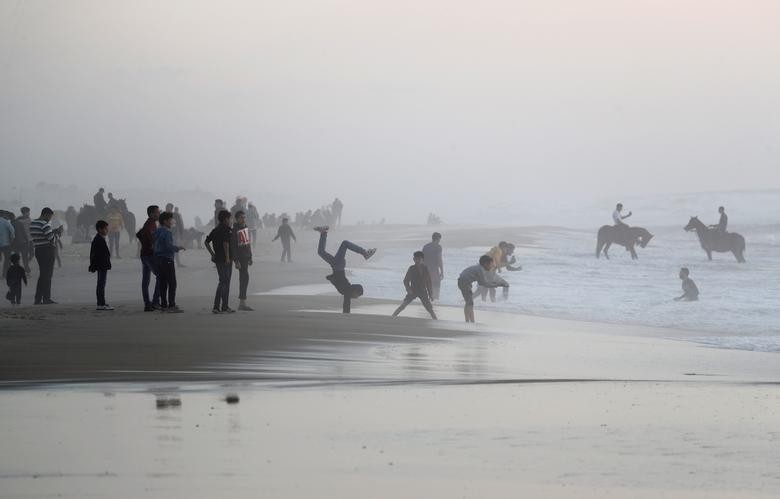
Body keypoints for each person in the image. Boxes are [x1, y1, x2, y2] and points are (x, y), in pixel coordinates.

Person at [315, 226, 376, 313]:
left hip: (336, 266)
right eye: (358, 295)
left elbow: (337, 281)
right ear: (355, 291)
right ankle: (365, 253)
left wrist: (330, 278)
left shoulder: (347, 290)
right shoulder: (347, 291)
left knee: (321, 252)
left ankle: (323, 233)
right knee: (345, 243)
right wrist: (346, 314)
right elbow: (346, 303)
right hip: (338, 265)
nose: (357, 297)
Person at [458, 255, 509, 323]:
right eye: (491, 264)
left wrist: (496, 284)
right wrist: (497, 284)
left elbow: (482, 282)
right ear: (485, 264)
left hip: (464, 282)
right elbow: (484, 283)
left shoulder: (479, 268)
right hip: (464, 282)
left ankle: (470, 321)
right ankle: (468, 321)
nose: (492, 266)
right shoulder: (480, 270)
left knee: (469, 303)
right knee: (469, 303)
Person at [29, 208, 63, 305]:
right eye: (49, 217)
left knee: (42, 275)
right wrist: (59, 233)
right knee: (47, 276)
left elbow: (43, 234)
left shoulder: (33, 223)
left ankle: (38, 299)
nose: (49, 219)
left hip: (38, 250)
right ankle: (46, 298)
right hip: (47, 251)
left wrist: (53, 231)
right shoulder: (44, 224)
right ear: (45, 214)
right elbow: (52, 239)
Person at [154, 211, 186, 313]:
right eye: (170, 220)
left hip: (158, 259)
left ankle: (164, 305)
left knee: (163, 283)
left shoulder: (157, 231)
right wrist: (178, 248)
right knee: (172, 283)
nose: (172, 221)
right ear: (165, 221)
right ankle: (171, 305)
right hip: (167, 259)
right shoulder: (167, 232)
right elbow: (168, 246)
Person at [392, 251, 437, 319]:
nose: (417, 261)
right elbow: (406, 281)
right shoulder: (411, 268)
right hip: (413, 290)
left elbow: (428, 283)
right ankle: (392, 316)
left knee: (429, 309)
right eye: (416, 259)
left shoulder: (426, 269)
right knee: (403, 305)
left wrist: (431, 294)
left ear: (422, 259)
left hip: (423, 291)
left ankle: (436, 320)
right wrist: (409, 290)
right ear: (413, 259)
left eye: (419, 259)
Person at [205, 210, 234, 314]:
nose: (231, 221)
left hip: (218, 259)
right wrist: (227, 258)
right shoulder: (227, 229)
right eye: (230, 218)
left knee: (223, 282)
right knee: (224, 282)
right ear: (226, 219)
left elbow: (206, 242)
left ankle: (223, 306)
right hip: (226, 260)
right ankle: (218, 306)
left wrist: (212, 254)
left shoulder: (215, 229)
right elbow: (226, 244)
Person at [137, 205, 161, 311]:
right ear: (151, 214)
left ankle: (148, 303)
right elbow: (152, 242)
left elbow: (139, 235)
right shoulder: (150, 225)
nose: (158, 214)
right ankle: (155, 302)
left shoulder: (150, 224)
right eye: (157, 212)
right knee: (161, 276)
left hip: (144, 254)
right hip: (149, 255)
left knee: (145, 280)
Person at [231, 210, 254, 311]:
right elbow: (233, 247)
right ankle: (242, 303)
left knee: (245, 278)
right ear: (237, 219)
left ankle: (243, 302)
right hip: (240, 258)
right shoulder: (235, 230)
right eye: (241, 217)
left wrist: (250, 257)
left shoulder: (245, 228)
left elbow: (248, 243)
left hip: (246, 256)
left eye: (244, 217)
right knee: (244, 278)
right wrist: (236, 260)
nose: (243, 219)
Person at [89, 220, 113, 311]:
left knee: (101, 284)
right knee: (101, 284)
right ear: (100, 229)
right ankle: (100, 304)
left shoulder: (99, 238)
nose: (107, 230)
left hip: (102, 265)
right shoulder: (98, 240)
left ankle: (102, 302)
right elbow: (94, 255)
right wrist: (93, 265)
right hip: (101, 265)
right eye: (106, 229)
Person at [421, 232, 443, 300]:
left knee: (426, 287)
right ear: (438, 239)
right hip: (434, 271)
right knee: (436, 287)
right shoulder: (438, 247)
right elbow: (439, 259)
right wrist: (442, 271)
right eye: (439, 239)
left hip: (425, 270)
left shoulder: (425, 246)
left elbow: (422, 259)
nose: (439, 241)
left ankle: (425, 302)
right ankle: (435, 303)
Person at [13, 207, 32, 273]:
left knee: (31, 254)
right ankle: (26, 270)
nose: (29, 213)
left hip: (28, 240)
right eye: (28, 212)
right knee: (24, 257)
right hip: (24, 241)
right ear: (24, 212)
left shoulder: (29, 219)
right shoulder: (18, 220)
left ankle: (25, 268)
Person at [0, 212, 14, 279]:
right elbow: (12, 230)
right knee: (7, 259)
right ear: (2, 214)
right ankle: (4, 274)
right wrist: (12, 239)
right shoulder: (5, 222)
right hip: (5, 244)